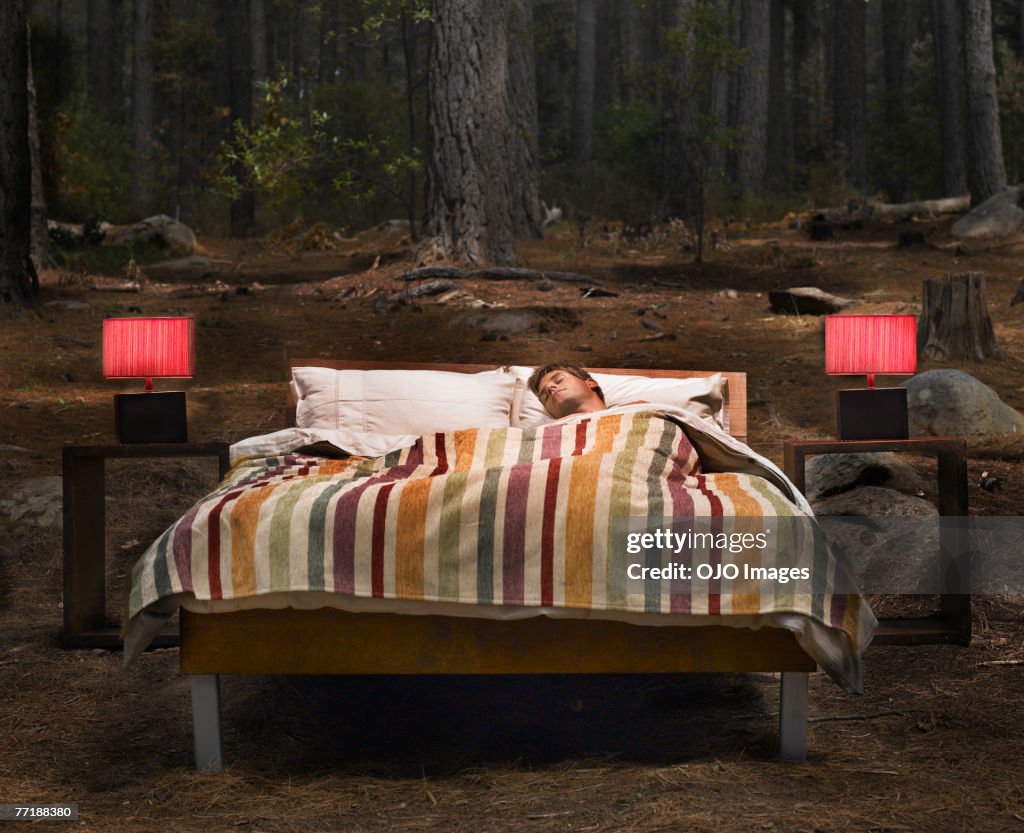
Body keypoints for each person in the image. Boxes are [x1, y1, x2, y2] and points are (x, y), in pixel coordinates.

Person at [528, 363, 609, 419]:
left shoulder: (621, 413)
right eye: (545, 396)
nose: (549, 388)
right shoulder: (539, 434)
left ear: (591, 383)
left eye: (559, 380)